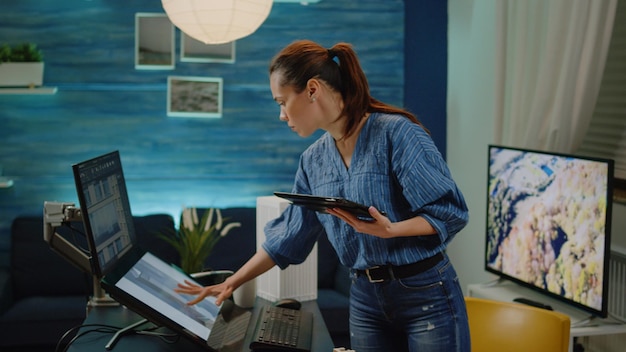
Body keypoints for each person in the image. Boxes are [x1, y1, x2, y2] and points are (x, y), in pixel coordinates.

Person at [175, 39, 470, 352]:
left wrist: (391, 230)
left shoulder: (396, 133)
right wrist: (233, 281)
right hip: (365, 298)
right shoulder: (313, 160)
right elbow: (287, 237)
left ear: (312, 90)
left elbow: (449, 212)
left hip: (425, 292)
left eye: (282, 101)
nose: (281, 115)